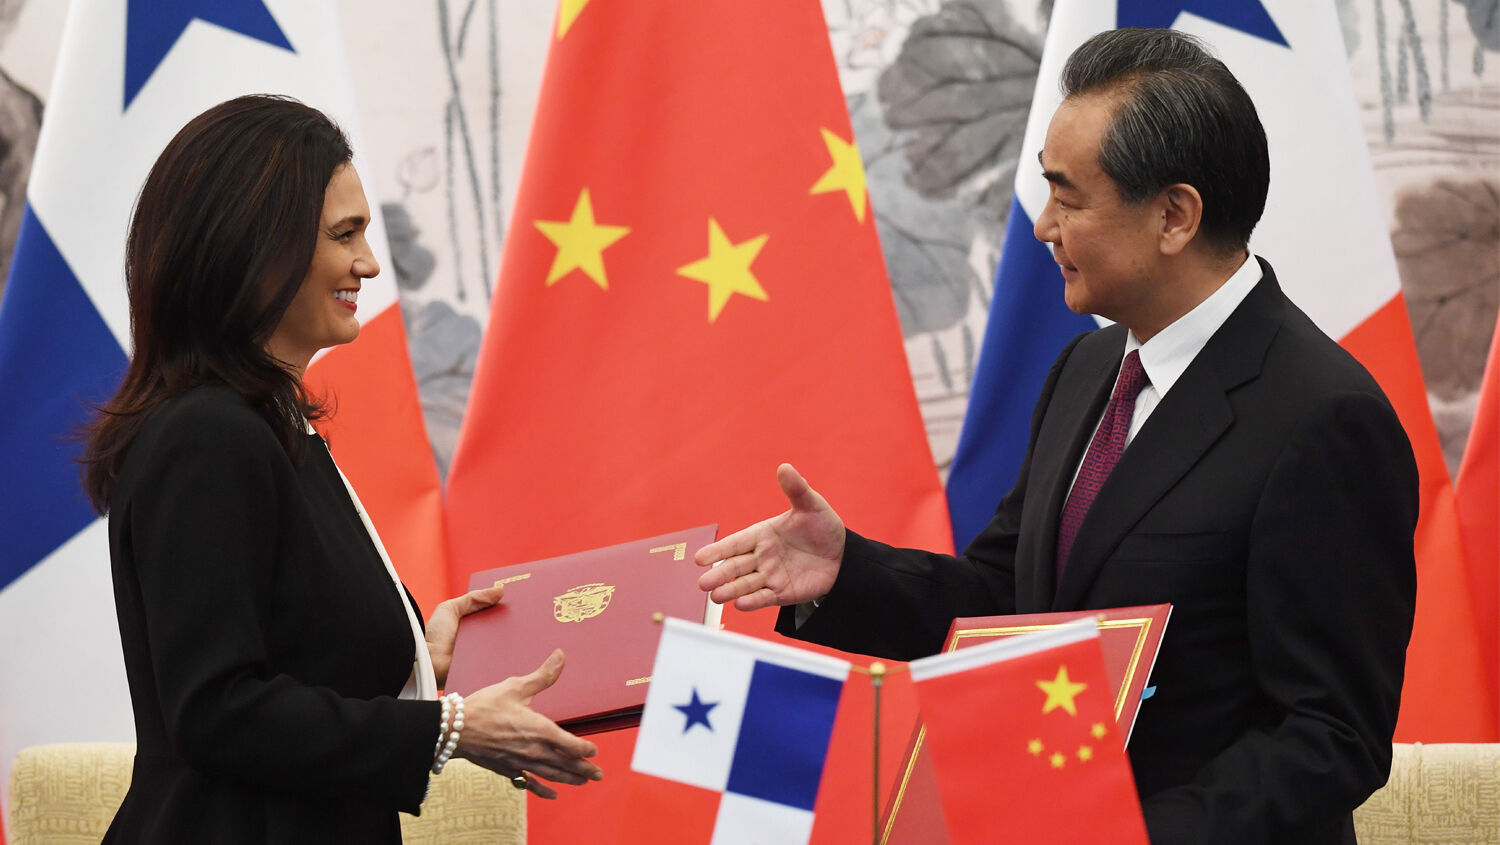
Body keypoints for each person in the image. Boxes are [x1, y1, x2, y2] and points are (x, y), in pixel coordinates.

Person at [696, 28, 1417, 845]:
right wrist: (847, 571)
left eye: (1068, 199)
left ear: (1174, 216)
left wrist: (1124, 834)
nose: (1042, 225)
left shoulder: (1324, 418)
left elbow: (1331, 736)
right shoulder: (1086, 368)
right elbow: (1010, 604)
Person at [81, 94, 601, 844]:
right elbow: (217, 710)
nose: (369, 263)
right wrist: (448, 728)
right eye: (344, 234)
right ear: (255, 246)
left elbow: (292, 660)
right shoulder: (207, 435)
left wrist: (417, 658)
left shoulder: (268, 425)